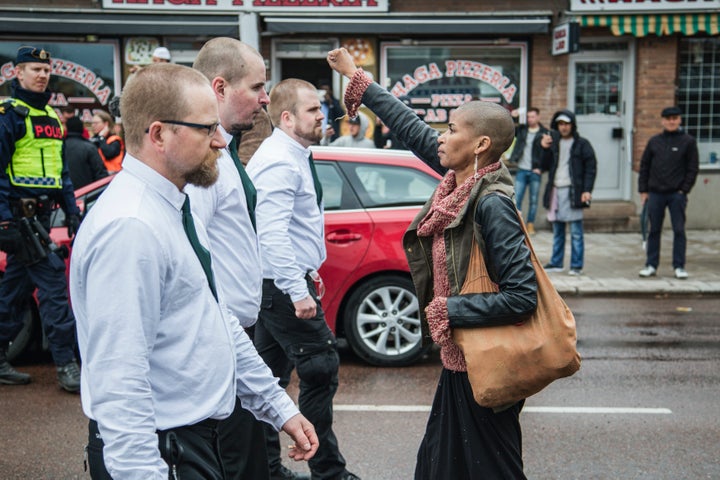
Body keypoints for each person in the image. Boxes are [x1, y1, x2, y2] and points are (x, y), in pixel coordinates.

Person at [69, 63, 318, 479]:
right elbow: (121, 378)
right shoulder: (131, 228)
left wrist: (277, 407)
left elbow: (214, 319)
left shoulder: (176, 207)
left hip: (192, 442)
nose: (220, 140)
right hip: (159, 451)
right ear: (159, 134)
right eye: (206, 129)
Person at [327, 47, 537, 480]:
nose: (440, 136)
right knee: (440, 466)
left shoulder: (491, 203)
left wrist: (449, 310)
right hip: (458, 360)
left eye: (451, 129)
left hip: (484, 366)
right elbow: (408, 126)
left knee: (491, 470)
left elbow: (523, 296)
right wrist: (355, 77)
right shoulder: (456, 184)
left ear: (479, 145)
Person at [246, 78, 360, 480]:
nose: (322, 115)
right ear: (287, 117)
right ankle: (328, 471)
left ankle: (264, 469)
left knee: (265, 382)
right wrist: (298, 289)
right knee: (320, 366)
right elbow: (271, 232)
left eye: (321, 107)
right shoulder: (279, 159)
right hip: (281, 286)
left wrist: (307, 273)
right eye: (312, 110)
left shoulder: (293, 153)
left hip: (281, 283)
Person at [186, 37, 283, 480]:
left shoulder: (224, 149)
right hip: (222, 340)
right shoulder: (203, 161)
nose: (266, 98)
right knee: (239, 466)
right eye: (258, 86)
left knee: (251, 460)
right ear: (220, 88)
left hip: (237, 336)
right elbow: (196, 263)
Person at [0, 45, 81, 392]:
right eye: (34, 69)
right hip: (19, 221)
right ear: (17, 73)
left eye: (45, 70)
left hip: (42, 218)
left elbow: (61, 174)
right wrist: (4, 223)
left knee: (11, 296)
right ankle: (66, 365)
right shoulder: (9, 114)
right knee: (53, 291)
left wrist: (73, 213)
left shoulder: (50, 115)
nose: (42, 75)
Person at [638, 106, 699, 279]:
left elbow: (692, 168)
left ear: (679, 120)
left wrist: (683, 190)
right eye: (668, 118)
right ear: (663, 121)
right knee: (654, 230)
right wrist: (643, 190)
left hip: (676, 195)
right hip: (655, 193)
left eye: (675, 118)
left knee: (678, 230)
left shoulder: (688, 141)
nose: (671, 121)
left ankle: (679, 266)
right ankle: (651, 264)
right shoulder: (654, 142)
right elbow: (645, 166)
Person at [540, 110, 597, 276]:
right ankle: (556, 262)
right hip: (555, 190)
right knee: (557, 230)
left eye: (566, 124)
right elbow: (543, 166)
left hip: (573, 191)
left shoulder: (582, 144)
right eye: (560, 124)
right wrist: (544, 148)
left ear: (572, 125)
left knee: (576, 232)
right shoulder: (553, 143)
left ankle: (576, 265)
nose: (564, 127)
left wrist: (587, 190)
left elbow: (591, 168)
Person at [509, 107, 549, 235]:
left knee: (533, 200)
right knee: (517, 198)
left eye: (532, 116)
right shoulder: (522, 129)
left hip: (534, 172)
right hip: (521, 169)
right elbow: (509, 130)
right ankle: (518, 225)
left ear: (538, 117)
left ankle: (530, 224)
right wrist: (513, 117)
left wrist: (542, 168)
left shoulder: (545, 132)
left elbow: (549, 154)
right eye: (528, 117)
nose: (530, 119)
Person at [63, 117, 108, 189]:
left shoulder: (60, 147)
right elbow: (100, 174)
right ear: (82, 129)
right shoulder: (89, 147)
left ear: (66, 129)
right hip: (86, 194)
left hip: (64, 193)